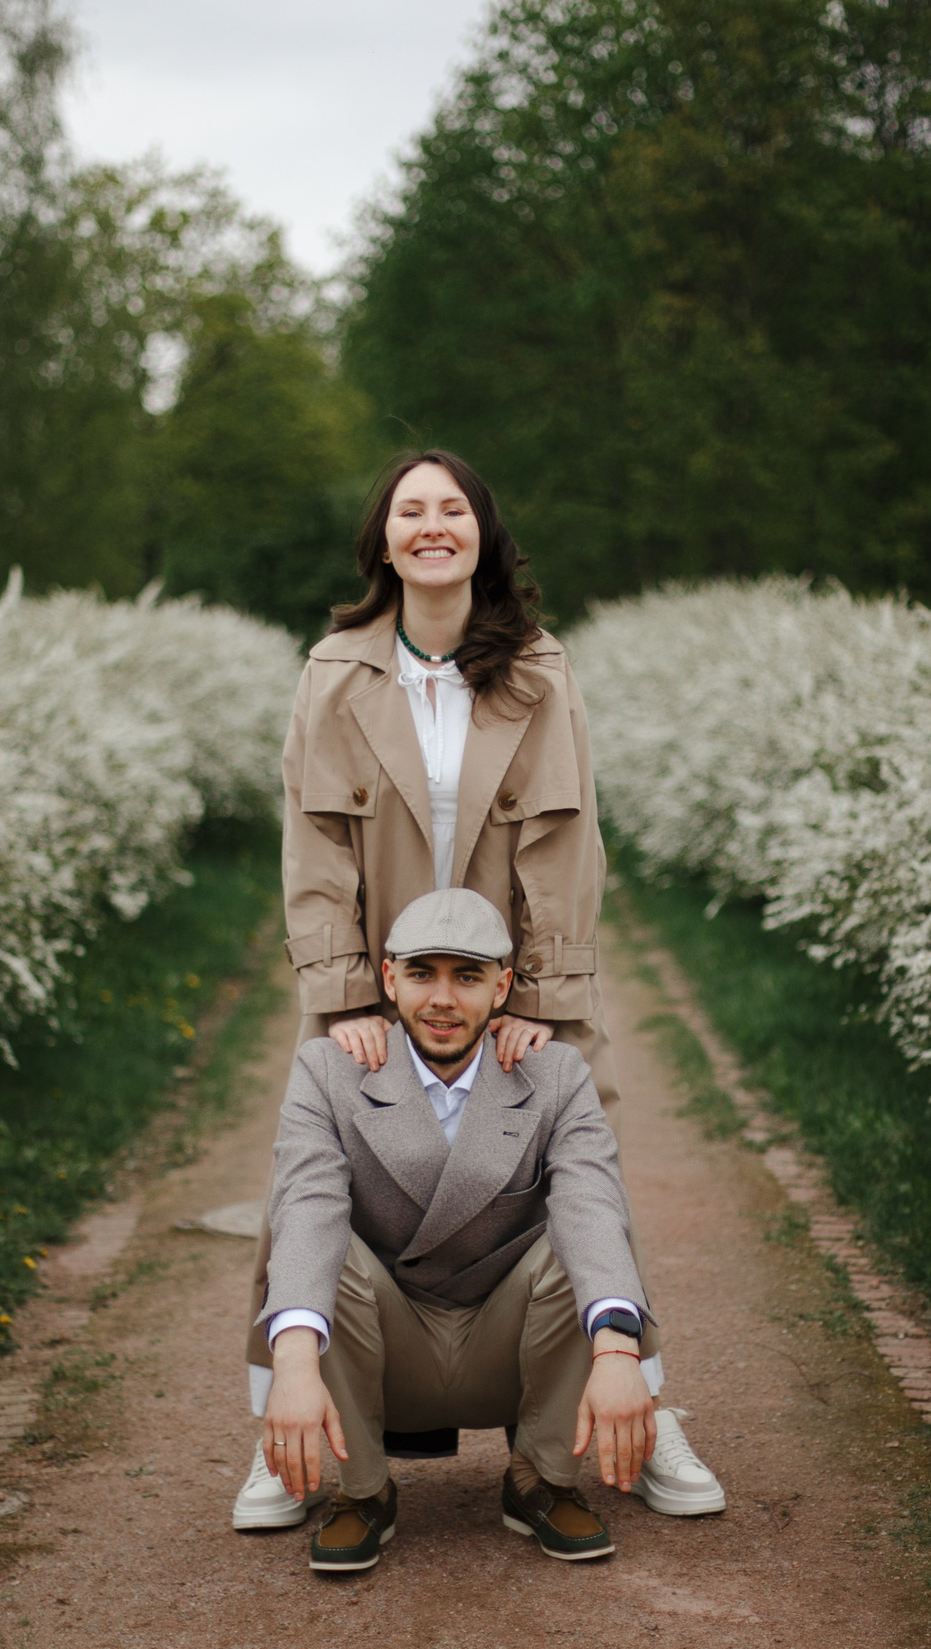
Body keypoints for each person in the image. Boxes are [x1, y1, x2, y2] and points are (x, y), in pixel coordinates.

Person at [230, 447, 722, 1529]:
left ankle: (635, 1391)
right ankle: (287, 1423)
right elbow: (312, 845)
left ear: (482, 536)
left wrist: (538, 1003)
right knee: (319, 1177)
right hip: (373, 969)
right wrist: (348, 989)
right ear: (386, 541)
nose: (432, 525)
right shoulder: (335, 672)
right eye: (411, 510)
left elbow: (566, 842)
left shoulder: (541, 669)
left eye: (453, 508)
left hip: (525, 975)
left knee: (582, 1174)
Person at [256, 888, 659, 1571]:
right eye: (422, 973)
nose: (442, 998)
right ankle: (364, 1492)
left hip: (513, 1351)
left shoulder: (555, 1071)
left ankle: (541, 1477)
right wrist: (292, 1364)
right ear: (389, 979)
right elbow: (306, 1207)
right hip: (388, 1352)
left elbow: (592, 1200)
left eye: (467, 976)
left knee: (575, 1231)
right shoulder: (327, 1070)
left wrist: (619, 1353)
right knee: (332, 1248)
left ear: (503, 986)